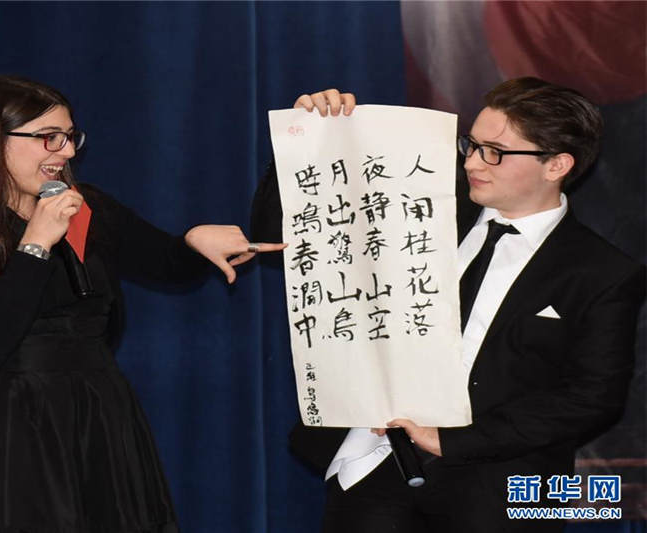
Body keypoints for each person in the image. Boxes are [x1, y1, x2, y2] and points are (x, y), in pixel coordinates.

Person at [0, 74, 284, 533]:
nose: (67, 152)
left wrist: (192, 243)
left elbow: (164, 261)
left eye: (70, 137)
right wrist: (35, 245)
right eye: (48, 137)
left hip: (94, 415)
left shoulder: (82, 206)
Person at [251, 79, 645, 532]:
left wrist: (452, 442)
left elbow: (592, 397)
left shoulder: (601, 272)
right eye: (471, 145)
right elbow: (277, 233)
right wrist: (312, 137)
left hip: (497, 491)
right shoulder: (422, 199)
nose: (472, 162)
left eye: (495, 152)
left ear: (556, 164)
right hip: (373, 464)